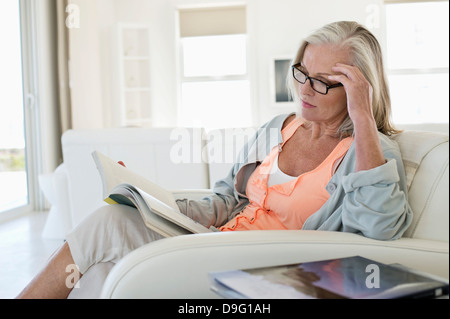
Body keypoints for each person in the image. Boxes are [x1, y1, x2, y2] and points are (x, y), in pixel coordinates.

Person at [17, 21, 412, 299]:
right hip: (215, 244)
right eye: (301, 74)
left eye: (324, 82)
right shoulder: (280, 127)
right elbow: (226, 200)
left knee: (110, 224)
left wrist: (362, 118)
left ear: (359, 88)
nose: (305, 90)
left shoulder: (370, 150)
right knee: (104, 272)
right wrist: (157, 203)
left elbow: (378, 236)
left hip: (266, 268)